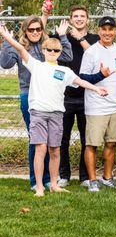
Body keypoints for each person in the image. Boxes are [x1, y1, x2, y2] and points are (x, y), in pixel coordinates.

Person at [0, 24, 107, 197]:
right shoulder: (36, 65)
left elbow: (80, 81)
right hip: (38, 114)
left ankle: (54, 184)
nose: (52, 52)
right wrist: (5, 36)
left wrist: (97, 89)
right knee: (40, 149)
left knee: (55, 150)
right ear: (43, 50)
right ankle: (40, 186)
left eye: (56, 50)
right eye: (49, 49)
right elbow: (20, 48)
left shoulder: (64, 71)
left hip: (57, 114)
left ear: (59, 53)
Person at [0, 14, 73, 191]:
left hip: (50, 99)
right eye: (31, 29)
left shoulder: (48, 46)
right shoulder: (21, 48)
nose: (34, 32)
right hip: (29, 97)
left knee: (50, 142)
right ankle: (36, 181)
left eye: (38, 29)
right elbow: (5, 63)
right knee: (37, 141)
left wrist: (62, 36)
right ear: (25, 31)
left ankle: (49, 180)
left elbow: (68, 57)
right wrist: (7, 41)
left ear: (42, 30)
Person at [58, 5, 110, 188]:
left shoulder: (95, 40)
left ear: (87, 19)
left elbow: (95, 57)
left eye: (82, 16)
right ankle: (63, 174)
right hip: (65, 95)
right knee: (62, 138)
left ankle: (84, 177)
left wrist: (80, 38)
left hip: (88, 95)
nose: (79, 19)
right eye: (75, 16)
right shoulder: (62, 36)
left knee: (86, 139)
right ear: (71, 19)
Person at [80, 16, 116, 192]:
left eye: (110, 29)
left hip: (115, 105)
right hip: (96, 106)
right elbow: (82, 78)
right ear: (99, 31)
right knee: (92, 144)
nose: (107, 33)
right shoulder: (91, 52)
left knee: (112, 143)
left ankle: (107, 177)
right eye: (104, 29)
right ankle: (93, 180)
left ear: (115, 31)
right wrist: (100, 76)